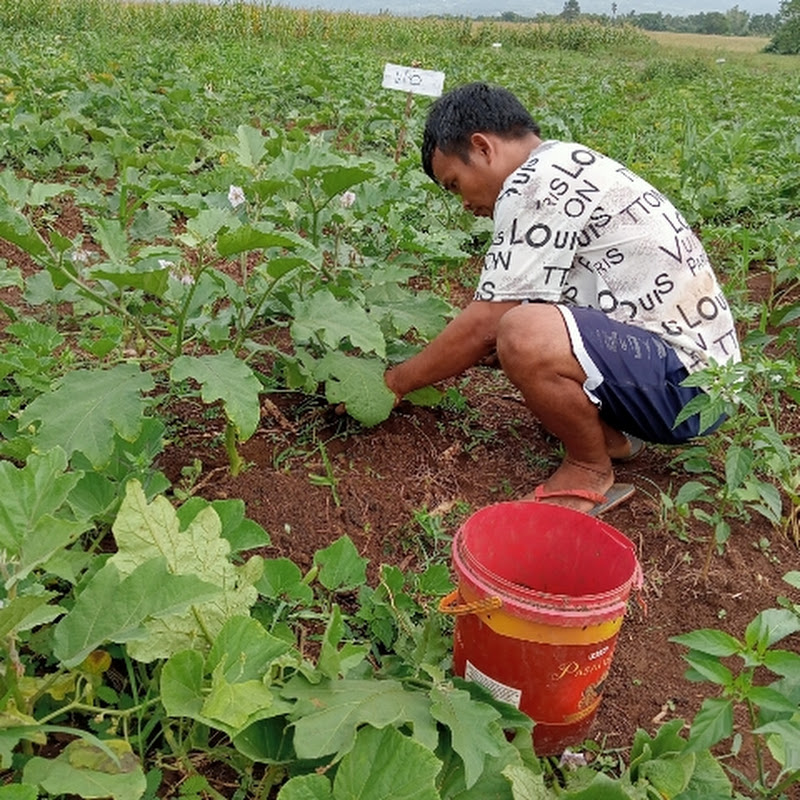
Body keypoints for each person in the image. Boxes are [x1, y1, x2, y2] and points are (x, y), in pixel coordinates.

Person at [383, 82, 740, 516]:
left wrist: (394, 384)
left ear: (481, 147)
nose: (464, 204)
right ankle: (615, 439)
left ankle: (589, 468)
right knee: (524, 331)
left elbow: (486, 324)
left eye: (455, 184)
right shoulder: (563, 163)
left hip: (687, 389)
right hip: (692, 380)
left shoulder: (535, 182)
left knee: (521, 332)